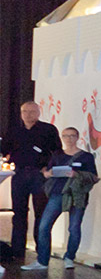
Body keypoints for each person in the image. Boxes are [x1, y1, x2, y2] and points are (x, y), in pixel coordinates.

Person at [25, 127, 98, 270]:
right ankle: (42, 260)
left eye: (72, 136)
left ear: (77, 137)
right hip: (57, 193)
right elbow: (47, 172)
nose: (69, 139)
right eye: (65, 136)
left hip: (77, 195)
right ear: (62, 138)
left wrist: (76, 175)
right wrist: (49, 173)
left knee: (74, 227)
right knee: (44, 226)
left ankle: (70, 257)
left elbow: (94, 177)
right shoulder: (57, 155)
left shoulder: (86, 157)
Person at [2, 101, 61, 262]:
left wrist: (47, 168)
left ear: (38, 113)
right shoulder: (15, 131)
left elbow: (57, 152)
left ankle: (41, 251)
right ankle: (17, 251)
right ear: (21, 114)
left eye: (32, 111)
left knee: (41, 213)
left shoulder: (48, 130)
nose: (28, 114)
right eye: (25, 111)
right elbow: (4, 149)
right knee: (18, 213)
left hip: (39, 175)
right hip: (19, 174)